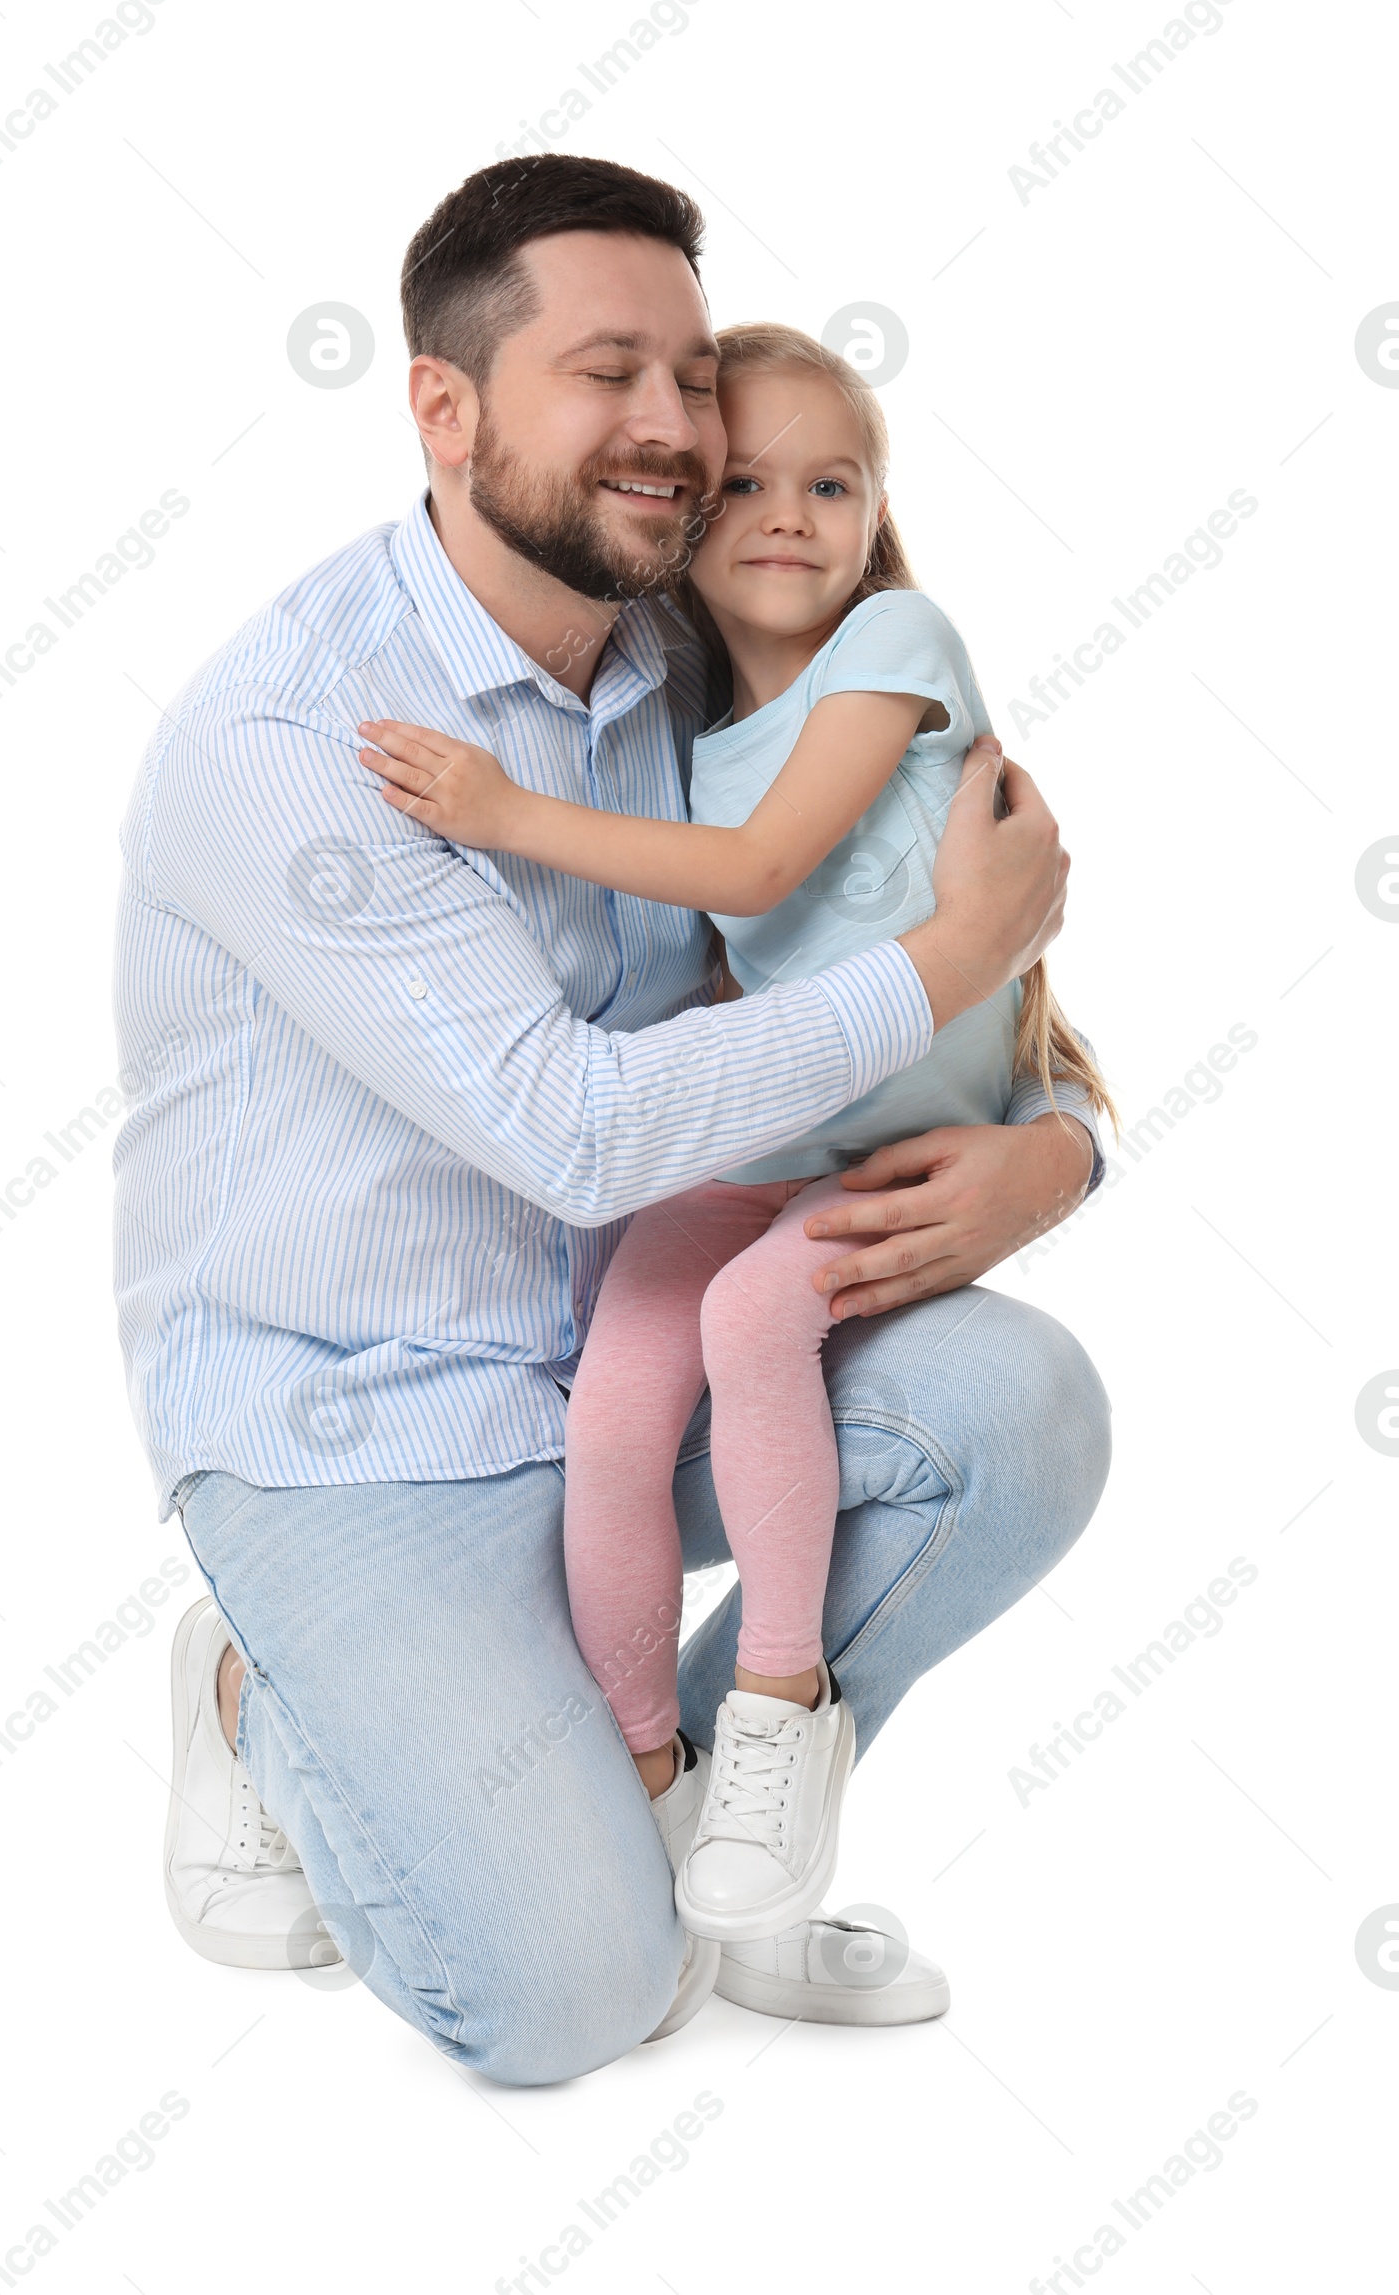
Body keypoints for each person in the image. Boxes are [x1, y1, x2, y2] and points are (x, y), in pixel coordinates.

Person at [114, 153, 1111, 2087]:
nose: (673, 427)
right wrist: (920, 976)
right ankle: (262, 1690)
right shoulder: (294, 741)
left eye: (689, 376)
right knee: (567, 2003)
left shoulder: (705, 656)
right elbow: (568, 1131)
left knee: (1023, 1414)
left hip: (616, 1377)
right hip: (357, 1434)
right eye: (603, 373)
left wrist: (1054, 1143)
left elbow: (950, 933)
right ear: (444, 404)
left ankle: (713, 1833)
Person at [355, 318, 1116, 1949]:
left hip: (876, 1167)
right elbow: (732, 961)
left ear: (875, 510)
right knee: (621, 1403)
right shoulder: (690, 749)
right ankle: (638, 1777)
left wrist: (504, 812)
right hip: (764, 1139)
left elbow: (773, 875)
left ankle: (777, 1704)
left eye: (830, 483)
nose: (790, 514)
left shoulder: (897, 645)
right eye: (747, 485)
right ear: (684, 535)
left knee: (757, 1316)